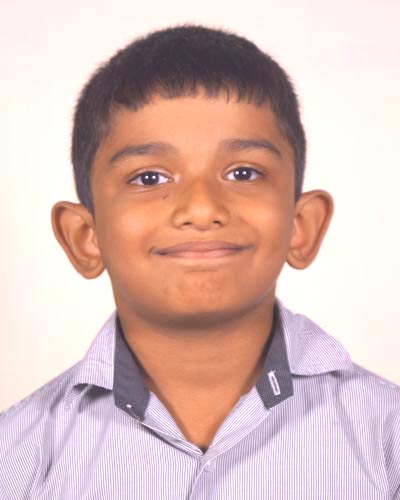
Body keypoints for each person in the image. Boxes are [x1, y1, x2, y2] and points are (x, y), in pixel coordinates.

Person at [1, 24, 399, 499]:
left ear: (301, 226)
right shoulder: (14, 457)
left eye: (243, 173)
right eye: (149, 178)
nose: (202, 208)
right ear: (86, 238)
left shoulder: (387, 440)